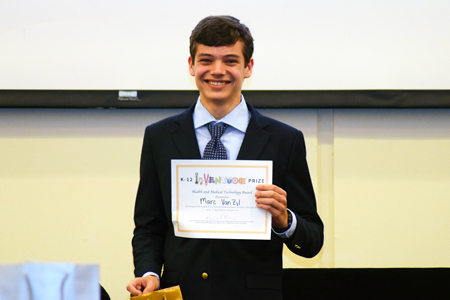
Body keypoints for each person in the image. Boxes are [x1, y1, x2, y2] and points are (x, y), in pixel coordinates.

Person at [127, 15, 323, 300]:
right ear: (192, 65)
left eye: (230, 61)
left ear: (248, 68)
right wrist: (149, 273)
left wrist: (284, 220)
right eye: (206, 60)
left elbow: (313, 240)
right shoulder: (160, 137)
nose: (217, 71)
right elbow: (149, 225)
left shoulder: (285, 140)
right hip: (182, 294)